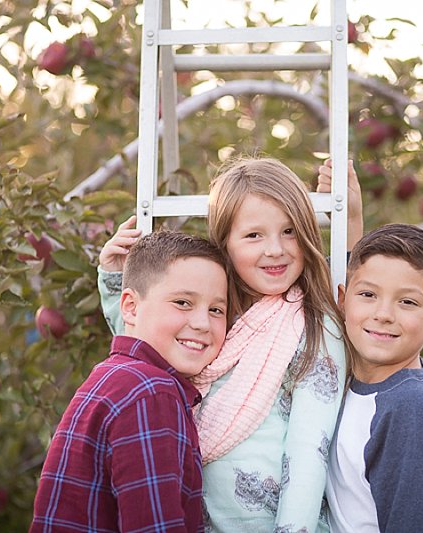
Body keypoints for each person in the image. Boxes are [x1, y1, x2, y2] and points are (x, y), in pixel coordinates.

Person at [97, 157, 353, 531]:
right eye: (254, 236)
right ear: (225, 244)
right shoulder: (216, 315)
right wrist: (116, 280)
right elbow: (151, 354)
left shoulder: (314, 325)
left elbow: (308, 453)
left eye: (289, 232)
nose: (275, 250)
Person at [30, 230, 229, 533]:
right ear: (131, 308)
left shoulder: (116, 376)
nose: (202, 323)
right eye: (183, 302)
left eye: (216, 309)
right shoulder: (151, 393)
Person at [325, 223, 423, 533]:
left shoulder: (411, 408)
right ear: (343, 300)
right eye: (368, 294)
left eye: (407, 302)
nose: (383, 314)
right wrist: (351, 217)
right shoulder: (356, 376)